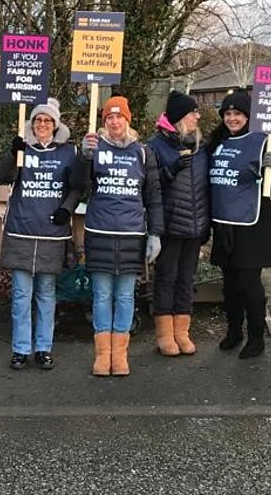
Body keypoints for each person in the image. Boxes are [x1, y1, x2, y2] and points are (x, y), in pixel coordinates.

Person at [0, 98, 86, 371]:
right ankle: (21, 349)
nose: (42, 125)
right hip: (22, 229)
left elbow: (77, 187)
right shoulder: (23, 149)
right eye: (38, 121)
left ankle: (44, 348)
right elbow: (4, 176)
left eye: (47, 121)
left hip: (52, 232)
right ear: (32, 124)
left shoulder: (69, 151)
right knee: (22, 294)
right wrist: (13, 155)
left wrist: (67, 209)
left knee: (47, 293)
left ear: (56, 125)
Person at [81, 96, 164, 376]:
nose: (114, 122)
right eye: (109, 117)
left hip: (131, 234)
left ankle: (121, 354)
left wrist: (155, 233)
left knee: (126, 295)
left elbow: (153, 195)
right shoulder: (95, 147)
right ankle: (103, 355)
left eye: (119, 117)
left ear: (128, 120)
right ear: (103, 121)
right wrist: (83, 159)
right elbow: (79, 187)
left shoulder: (142, 152)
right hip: (100, 232)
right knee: (102, 295)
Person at [208, 91, 271, 359]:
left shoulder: (263, 141)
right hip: (224, 222)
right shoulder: (217, 140)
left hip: (253, 222)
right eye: (228, 114)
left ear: (248, 116)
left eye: (237, 114)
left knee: (249, 283)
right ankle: (233, 331)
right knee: (229, 284)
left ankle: (256, 337)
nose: (232, 118)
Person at [146, 91, 211, 357]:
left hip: (195, 225)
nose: (197, 116)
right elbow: (149, 186)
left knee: (186, 278)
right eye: (192, 112)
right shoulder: (156, 145)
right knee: (166, 278)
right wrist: (172, 167)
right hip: (170, 224)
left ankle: (182, 331)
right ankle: (164, 333)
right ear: (179, 118)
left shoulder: (201, 146)